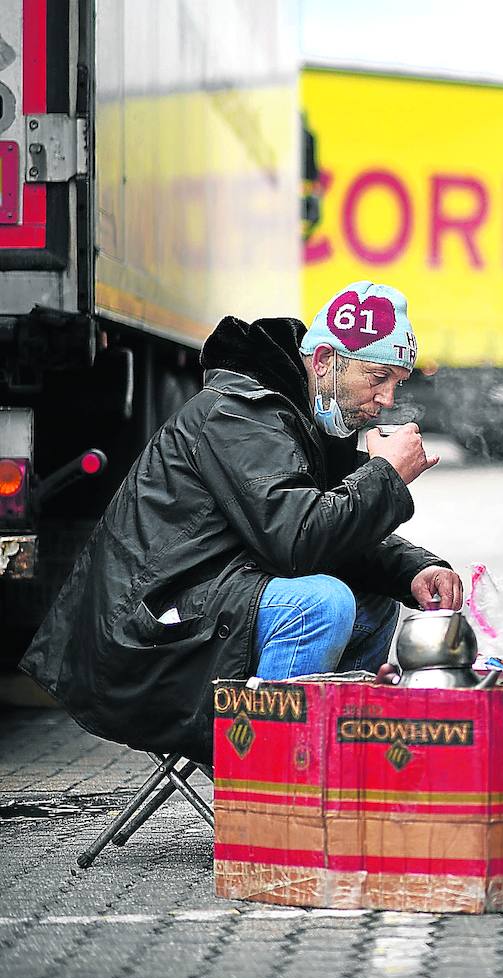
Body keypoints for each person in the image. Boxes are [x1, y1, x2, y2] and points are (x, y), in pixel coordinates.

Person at [20, 282, 462, 763]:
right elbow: (297, 539)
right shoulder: (241, 413)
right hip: (146, 635)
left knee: (373, 605)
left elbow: (331, 526)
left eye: (397, 382)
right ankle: (267, 778)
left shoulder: (296, 418)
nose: (387, 398)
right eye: (377, 377)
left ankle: (332, 768)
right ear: (324, 361)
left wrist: (413, 569)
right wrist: (386, 476)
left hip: (208, 605)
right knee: (320, 604)